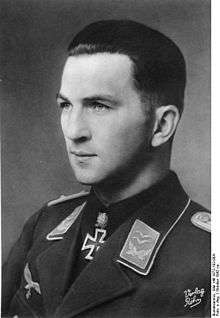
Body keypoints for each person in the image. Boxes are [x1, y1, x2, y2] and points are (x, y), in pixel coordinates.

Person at [2, 20, 211, 318]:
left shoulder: (206, 255)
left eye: (98, 105)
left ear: (161, 125)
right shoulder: (46, 224)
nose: (73, 130)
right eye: (65, 105)